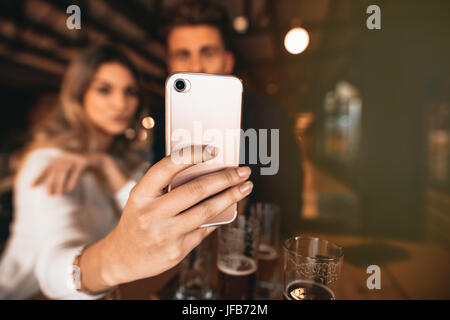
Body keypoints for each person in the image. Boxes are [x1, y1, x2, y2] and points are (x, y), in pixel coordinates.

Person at [0, 45, 253, 299]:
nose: (120, 103)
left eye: (129, 91)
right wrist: (115, 260)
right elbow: (51, 268)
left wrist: (106, 167)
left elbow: (139, 216)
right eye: (104, 89)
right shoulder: (47, 163)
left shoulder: (124, 161)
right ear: (78, 96)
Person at [152, 0, 304, 237]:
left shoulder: (267, 115)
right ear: (170, 65)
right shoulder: (163, 119)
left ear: (228, 61)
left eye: (208, 53)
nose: (196, 66)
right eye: (183, 55)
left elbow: (288, 202)